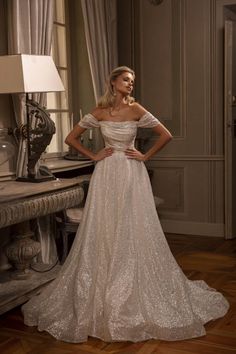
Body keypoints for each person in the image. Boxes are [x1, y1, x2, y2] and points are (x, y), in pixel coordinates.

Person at [22, 66, 229, 343]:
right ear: (113, 82)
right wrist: (94, 155)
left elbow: (165, 134)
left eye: (133, 81)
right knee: (106, 225)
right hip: (106, 171)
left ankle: (133, 286)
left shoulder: (136, 109)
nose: (130, 84)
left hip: (132, 172)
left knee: (132, 223)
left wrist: (145, 156)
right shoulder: (98, 112)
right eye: (126, 80)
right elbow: (71, 138)